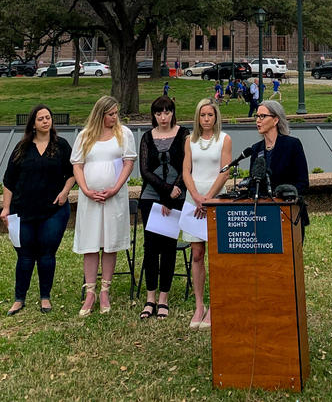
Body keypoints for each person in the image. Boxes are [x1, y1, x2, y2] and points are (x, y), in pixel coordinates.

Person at [1, 105, 75, 315]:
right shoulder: (21, 147)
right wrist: (6, 208)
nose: (45, 121)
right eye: (41, 118)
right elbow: (8, 181)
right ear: (33, 123)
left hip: (53, 211)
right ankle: (19, 299)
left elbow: (73, 173)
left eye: (48, 117)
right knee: (24, 256)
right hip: (23, 211)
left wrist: (65, 192)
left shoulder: (61, 145)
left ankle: (45, 297)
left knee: (46, 254)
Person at [71, 96, 137, 317]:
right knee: (90, 243)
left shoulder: (124, 134)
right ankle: (90, 291)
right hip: (90, 198)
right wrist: (87, 190)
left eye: (116, 113)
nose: (114, 117)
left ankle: (105, 291)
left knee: (110, 243)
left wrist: (116, 188)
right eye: (111, 114)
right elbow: (77, 166)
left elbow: (128, 162)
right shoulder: (85, 136)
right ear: (100, 114)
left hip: (114, 198)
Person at [138, 96, 190, 320]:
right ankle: (150, 298)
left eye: (167, 112)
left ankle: (163, 299)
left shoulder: (183, 134)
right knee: (151, 247)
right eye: (159, 113)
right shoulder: (147, 137)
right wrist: (164, 192)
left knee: (168, 247)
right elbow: (145, 170)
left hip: (176, 197)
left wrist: (174, 191)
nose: (163, 117)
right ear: (154, 115)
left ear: (173, 113)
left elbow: (188, 164)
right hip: (151, 197)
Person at [183, 98, 232, 330]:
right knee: (197, 253)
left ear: (216, 117)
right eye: (202, 115)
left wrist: (209, 198)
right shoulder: (189, 141)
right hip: (194, 200)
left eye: (210, 115)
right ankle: (199, 305)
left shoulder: (224, 139)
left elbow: (225, 171)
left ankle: (215, 305)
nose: (206, 119)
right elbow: (186, 171)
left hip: (215, 199)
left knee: (215, 254)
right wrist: (195, 196)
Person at [248, 100, 309, 239]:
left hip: (289, 214)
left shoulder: (292, 145)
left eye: (262, 116)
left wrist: (285, 194)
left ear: (275, 120)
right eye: (257, 116)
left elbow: (303, 183)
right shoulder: (256, 149)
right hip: (263, 216)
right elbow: (253, 183)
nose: (258, 120)